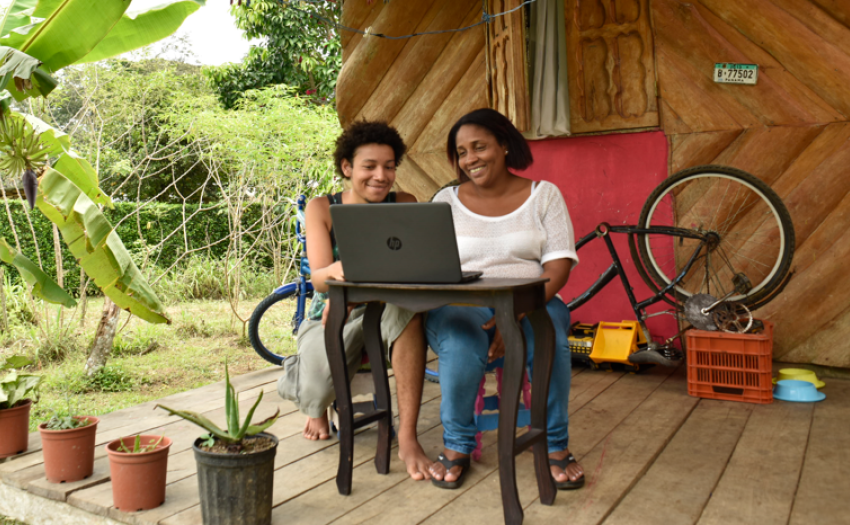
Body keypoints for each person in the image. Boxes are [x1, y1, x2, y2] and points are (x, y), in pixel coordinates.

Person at [426, 108, 585, 490]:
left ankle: (554, 444)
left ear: (504, 144)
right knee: (461, 344)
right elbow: (429, 265)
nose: (470, 159)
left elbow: (558, 268)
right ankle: (458, 444)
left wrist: (513, 316)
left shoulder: (543, 196)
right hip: (462, 304)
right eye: (462, 152)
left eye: (479, 147)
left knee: (553, 342)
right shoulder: (444, 200)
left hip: (534, 301)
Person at [277, 120, 434, 481]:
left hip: (386, 307)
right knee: (315, 394)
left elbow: (416, 267)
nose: (381, 175)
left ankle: (408, 438)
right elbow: (318, 278)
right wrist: (343, 277)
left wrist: (360, 280)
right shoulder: (323, 208)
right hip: (334, 312)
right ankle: (299, 378)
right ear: (347, 167)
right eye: (369, 166)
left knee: (407, 313)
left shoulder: (405, 203)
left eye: (390, 165)